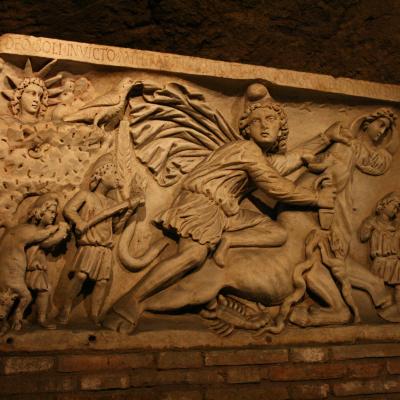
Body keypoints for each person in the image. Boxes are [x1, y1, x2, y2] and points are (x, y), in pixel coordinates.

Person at [103, 98, 351, 333]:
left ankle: (227, 241)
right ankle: (129, 302)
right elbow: (276, 186)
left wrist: (326, 137)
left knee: (276, 231)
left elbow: (288, 162)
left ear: (281, 129)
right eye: (256, 121)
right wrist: (316, 198)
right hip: (201, 203)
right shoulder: (246, 149)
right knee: (192, 256)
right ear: (247, 130)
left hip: (224, 212)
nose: (264, 126)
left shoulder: (258, 157)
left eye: (271, 120)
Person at [57, 153, 141, 325]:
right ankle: (65, 309)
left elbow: (115, 227)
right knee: (81, 276)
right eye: (114, 173)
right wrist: (80, 222)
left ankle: (94, 315)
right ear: (101, 174)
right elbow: (69, 209)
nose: (117, 177)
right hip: (89, 245)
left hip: (104, 248)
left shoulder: (112, 204)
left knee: (102, 282)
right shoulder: (86, 195)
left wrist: (129, 211)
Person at [0, 193, 68, 332]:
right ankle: (34, 318)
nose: (54, 216)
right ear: (40, 211)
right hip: (33, 267)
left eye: (55, 213)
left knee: (37, 292)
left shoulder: (22, 229)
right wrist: (61, 229)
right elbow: (47, 242)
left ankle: (15, 319)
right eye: (51, 212)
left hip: (27, 267)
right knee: (43, 290)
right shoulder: (30, 230)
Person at [360, 192, 400, 313]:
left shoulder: (397, 225)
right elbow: (363, 237)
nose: (396, 210)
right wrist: (369, 226)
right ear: (384, 204)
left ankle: (398, 306)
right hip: (380, 261)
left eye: (398, 208)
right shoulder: (373, 222)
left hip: (395, 259)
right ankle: (381, 304)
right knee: (377, 283)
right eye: (394, 206)